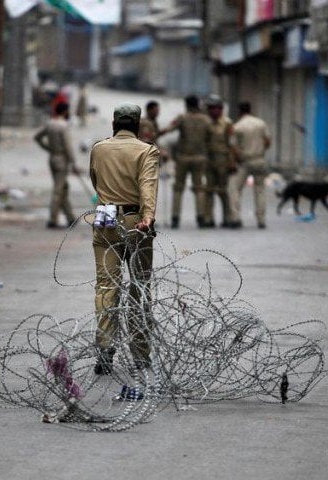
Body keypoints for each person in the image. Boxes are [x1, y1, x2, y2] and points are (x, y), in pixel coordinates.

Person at [89, 102, 160, 374]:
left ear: (114, 124)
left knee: (107, 286)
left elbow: (95, 180)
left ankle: (105, 350)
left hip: (105, 220)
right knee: (139, 288)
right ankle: (141, 355)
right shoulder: (147, 151)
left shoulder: (99, 149)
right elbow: (147, 185)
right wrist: (148, 217)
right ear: (138, 126)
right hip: (136, 222)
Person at [157, 94, 211, 229]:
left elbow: (168, 129)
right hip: (200, 158)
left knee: (178, 188)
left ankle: (175, 218)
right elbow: (212, 136)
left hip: (183, 158)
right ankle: (201, 217)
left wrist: (156, 134)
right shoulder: (206, 120)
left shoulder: (182, 118)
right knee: (199, 188)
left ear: (186, 105)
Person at [34, 101, 79, 228]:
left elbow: (37, 137)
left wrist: (48, 148)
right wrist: (73, 163)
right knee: (59, 190)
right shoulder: (63, 126)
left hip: (52, 158)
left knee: (63, 187)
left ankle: (71, 217)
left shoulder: (50, 124)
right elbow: (68, 147)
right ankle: (52, 219)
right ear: (64, 111)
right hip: (61, 160)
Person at [229, 102, 271, 229]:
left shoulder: (237, 126)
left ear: (239, 111)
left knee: (234, 188)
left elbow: (233, 147)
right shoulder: (261, 123)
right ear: (250, 110)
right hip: (259, 160)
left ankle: (236, 217)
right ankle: (261, 220)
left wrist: (238, 159)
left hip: (244, 161)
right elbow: (268, 141)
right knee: (260, 190)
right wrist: (261, 150)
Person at [203, 95, 235, 228]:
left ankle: (228, 218)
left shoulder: (227, 123)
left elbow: (231, 144)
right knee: (208, 190)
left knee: (223, 191)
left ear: (221, 109)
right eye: (210, 108)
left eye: (215, 108)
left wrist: (232, 162)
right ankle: (208, 218)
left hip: (222, 159)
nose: (212, 111)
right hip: (208, 159)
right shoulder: (205, 122)